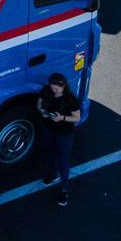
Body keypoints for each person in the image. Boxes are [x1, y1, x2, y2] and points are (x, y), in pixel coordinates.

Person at [36, 72, 82, 206]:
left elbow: (77, 118)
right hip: (49, 129)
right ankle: (53, 174)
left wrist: (61, 118)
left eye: (57, 88)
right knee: (51, 153)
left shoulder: (70, 100)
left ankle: (64, 190)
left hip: (64, 133)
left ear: (63, 86)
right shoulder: (46, 91)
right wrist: (42, 111)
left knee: (63, 160)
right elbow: (39, 104)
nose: (54, 90)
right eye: (52, 87)